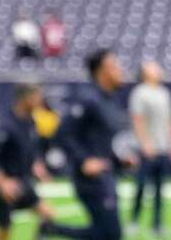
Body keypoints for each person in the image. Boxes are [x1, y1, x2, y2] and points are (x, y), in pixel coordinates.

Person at [41, 49, 131, 240]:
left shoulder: (109, 100)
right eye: (114, 66)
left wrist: (119, 160)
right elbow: (62, 133)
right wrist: (84, 161)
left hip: (106, 175)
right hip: (91, 180)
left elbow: (101, 141)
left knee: (107, 234)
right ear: (101, 71)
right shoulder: (87, 98)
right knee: (110, 234)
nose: (120, 70)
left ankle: (51, 229)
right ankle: (51, 229)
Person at [0, 83, 56, 240]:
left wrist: (37, 165)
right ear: (25, 98)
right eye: (36, 96)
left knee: (48, 215)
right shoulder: (5, 124)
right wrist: (2, 183)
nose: (40, 101)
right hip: (5, 185)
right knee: (3, 233)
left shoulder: (30, 121)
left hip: (23, 182)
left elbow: (32, 149)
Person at [128, 61, 171, 238]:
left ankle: (157, 225)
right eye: (153, 67)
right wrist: (144, 144)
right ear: (145, 73)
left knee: (159, 189)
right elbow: (137, 120)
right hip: (147, 149)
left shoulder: (164, 93)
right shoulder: (140, 93)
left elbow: (170, 121)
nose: (158, 69)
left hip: (163, 147)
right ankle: (134, 221)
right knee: (142, 186)